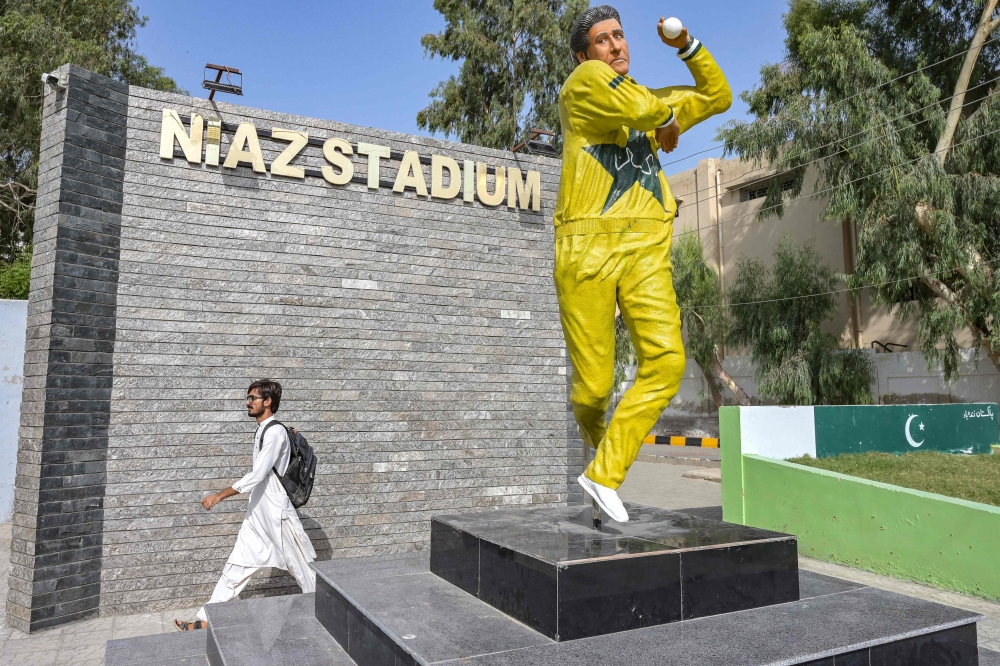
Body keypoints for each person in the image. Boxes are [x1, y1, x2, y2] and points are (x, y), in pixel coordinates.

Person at [555, 5, 731, 523]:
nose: (616, 46)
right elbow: (649, 111)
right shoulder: (583, 84)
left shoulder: (649, 101)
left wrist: (687, 46)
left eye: (620, 36)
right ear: (584, 53)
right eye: (603, 40)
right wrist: (668, 118)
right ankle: (599, 449)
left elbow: (718, 96)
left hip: (646, 247)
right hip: (587, 247)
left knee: (667, 361)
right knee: (592, 391)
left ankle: (604, 473)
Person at [175, 379, 317, 630]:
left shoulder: (274, 432)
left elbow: (257, 475)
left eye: (253, 398)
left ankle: (327, 611)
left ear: (268, 401)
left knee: (303, 569)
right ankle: (206, 619)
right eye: (248, 397)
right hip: (257, 514)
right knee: (236, 566)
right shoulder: (263, 429)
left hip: (276, 514)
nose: (248, 402)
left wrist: (219, 495)